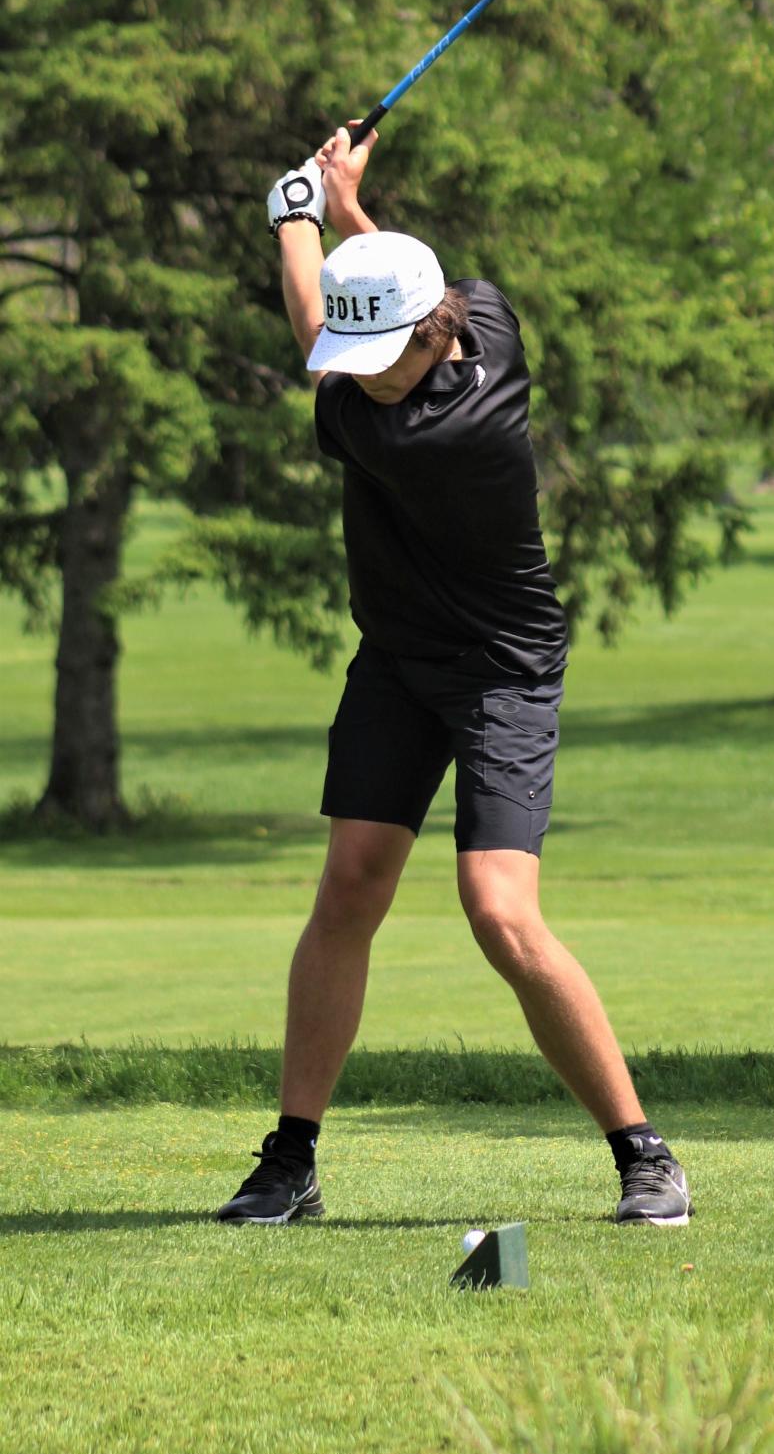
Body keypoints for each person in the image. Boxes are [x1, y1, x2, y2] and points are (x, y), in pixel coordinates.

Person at [217, 125, 692, 1229]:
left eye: (372, 358)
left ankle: (644, 1152)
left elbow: (309, 324)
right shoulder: (479, 314)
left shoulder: (417, 434)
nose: (357, 375)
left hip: (500, 669)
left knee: (499, 910)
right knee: (349, 886)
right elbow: (386, 299)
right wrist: (350, 211)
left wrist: (294, 216)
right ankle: (292, 1159)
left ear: (425, 350)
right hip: (398, 656)